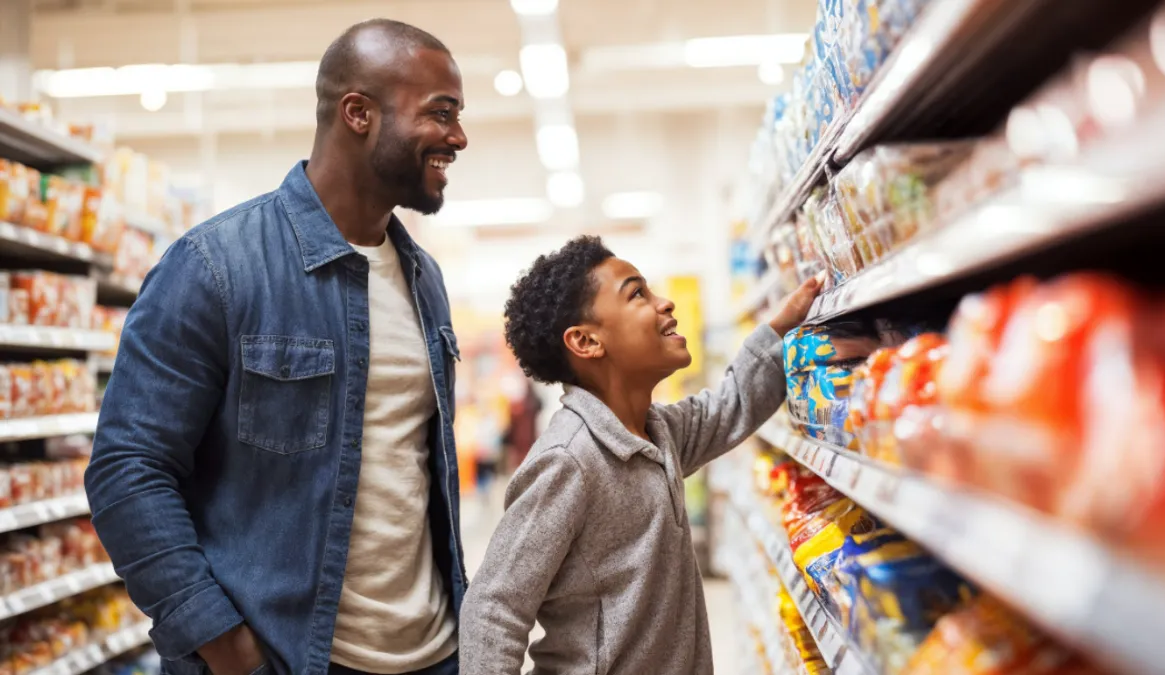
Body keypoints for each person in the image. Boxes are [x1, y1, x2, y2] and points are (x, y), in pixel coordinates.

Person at [84, 19, 468, 675]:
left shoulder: (423, 280)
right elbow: (128, 470)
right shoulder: (214, 267)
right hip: (289, 659)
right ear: (358, 114)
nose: (458, 137)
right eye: (441, 113)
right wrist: (226, 646)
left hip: (434, 654)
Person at [458, 236, 824, 674]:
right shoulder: (568, 461)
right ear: (586, 341)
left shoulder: (658, 432)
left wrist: (780, 328)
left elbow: (731, 405)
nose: (664, 303)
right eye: (637, 294)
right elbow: (493, 609)